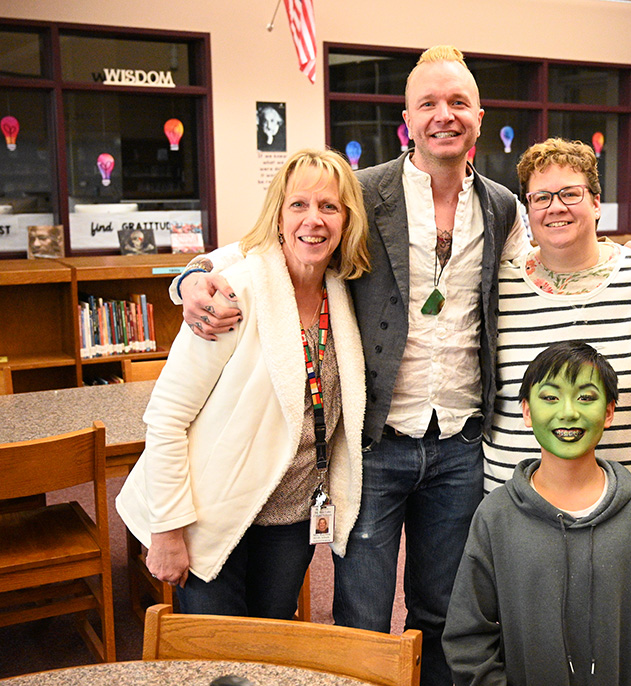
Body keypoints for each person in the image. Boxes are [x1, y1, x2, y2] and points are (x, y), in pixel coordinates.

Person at [168, 46, 529, 685]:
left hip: (462, 446)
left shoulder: (503, 207)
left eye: (457, 103)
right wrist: (190, 280)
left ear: (479, 114)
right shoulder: (364, 192)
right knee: (360, 612)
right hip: (372, 445)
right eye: (428, 104)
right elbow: (261, 245)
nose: (443, 116)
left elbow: (542, 271)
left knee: (444, 609)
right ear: (407, 118)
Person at [116, 149, 369, 618]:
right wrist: (167, 528)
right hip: (213, 514)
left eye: (329, 206)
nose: (313, 220)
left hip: (292, 516)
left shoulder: (346, 293)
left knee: (270, 639)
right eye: (298, 205)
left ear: (346, 220)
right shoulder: (234, 292)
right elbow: (167, 417)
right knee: (218, 655)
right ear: (277, 216)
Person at [443, 341, 631, 685]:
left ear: (609, 412)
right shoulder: (495, 516)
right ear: (527, 410)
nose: (568, 412)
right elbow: (468, 637)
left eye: (586, 397)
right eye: (549, 397)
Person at [485, 138, 631, 528]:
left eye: (570, 194)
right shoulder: (499, 286)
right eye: (541, 197)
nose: (555, 206)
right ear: (527, 210)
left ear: (596, 203)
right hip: (518, 501)